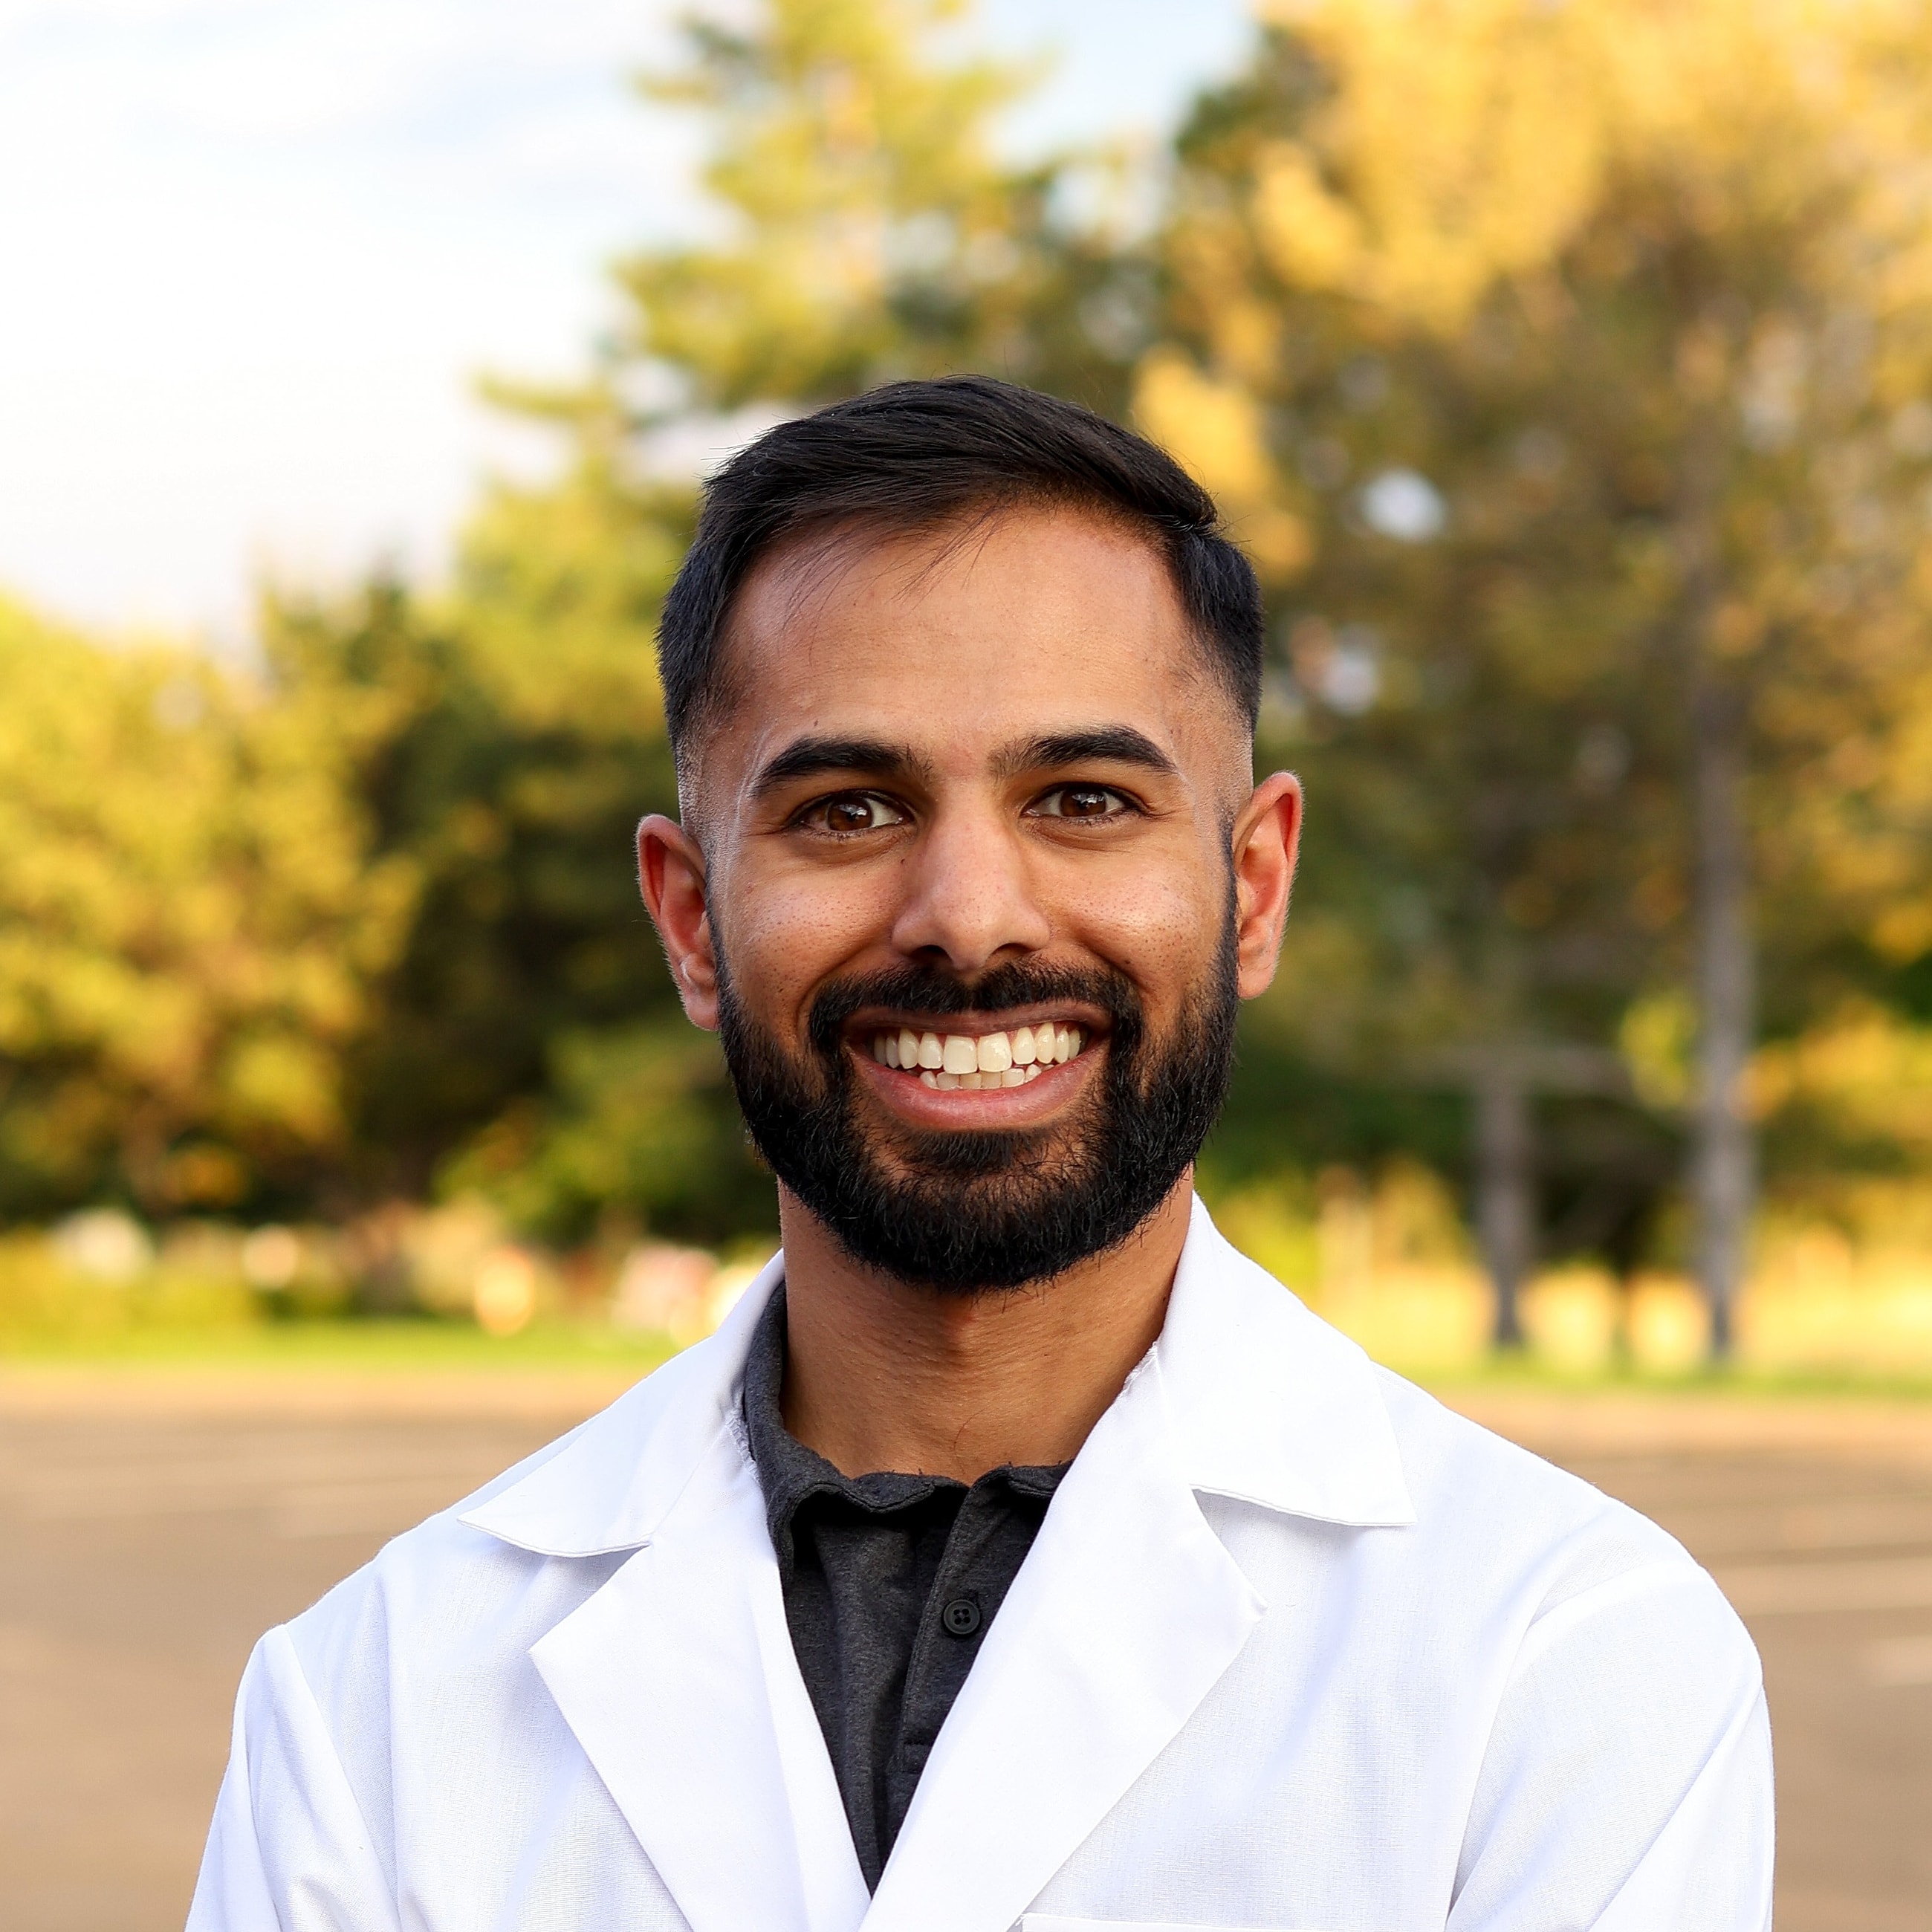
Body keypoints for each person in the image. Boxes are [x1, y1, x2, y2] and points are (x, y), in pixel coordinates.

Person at [187, 377, 1773, 1931]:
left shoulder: (1564, 1660)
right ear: (689, 918)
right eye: (848, 810)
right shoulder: (373, 1702)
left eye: (1081, 799)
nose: (967, 915)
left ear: (1254, 886)